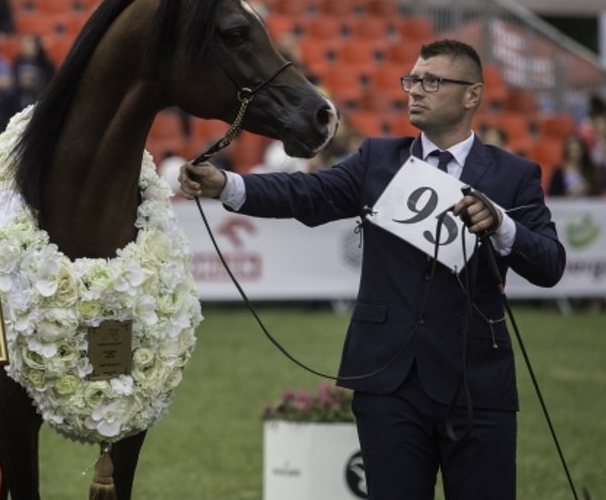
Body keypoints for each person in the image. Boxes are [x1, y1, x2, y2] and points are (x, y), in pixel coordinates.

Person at [179, 39, 566, 500]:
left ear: (472, 95)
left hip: (476, 381)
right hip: (388, 379)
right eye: (413, 80)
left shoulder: (514, 174)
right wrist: (227, 184)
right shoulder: (378, 158)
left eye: (432, 81)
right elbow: (307, 196)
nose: (415, 91)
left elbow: (550, 265)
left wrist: (503, 225)